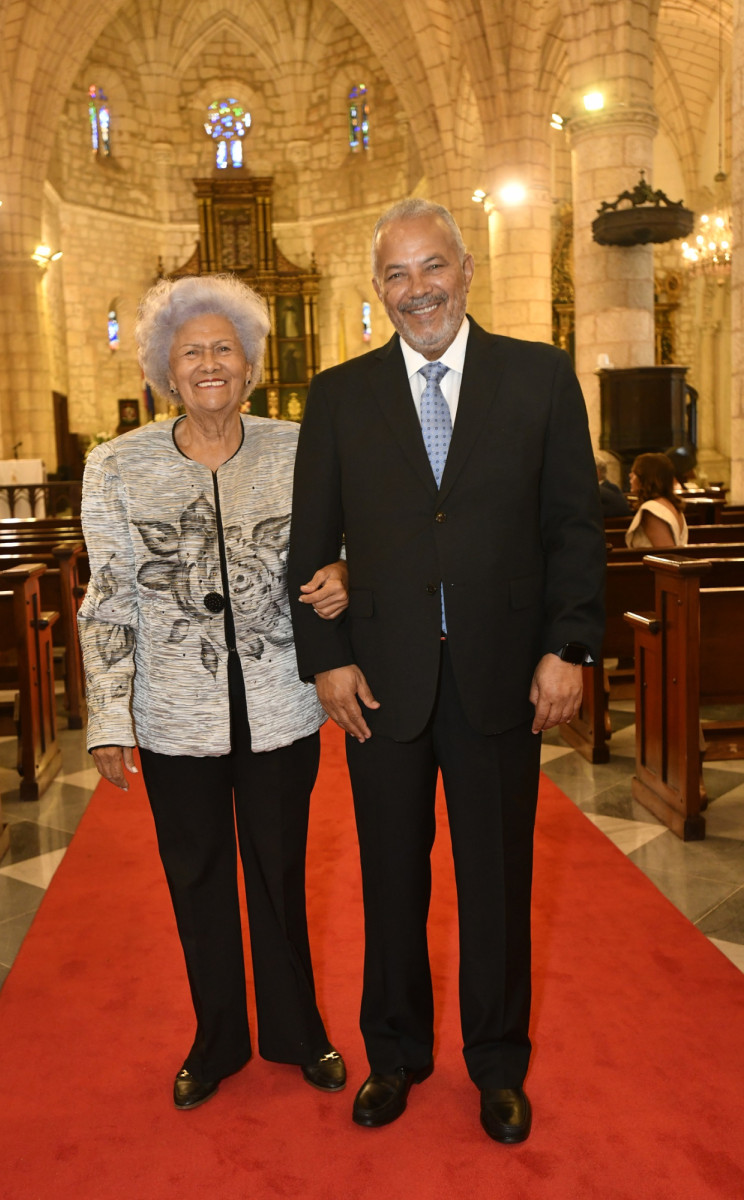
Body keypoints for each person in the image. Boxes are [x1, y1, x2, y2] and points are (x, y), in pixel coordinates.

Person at [288, 198, 605, 1144]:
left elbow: (573, 528)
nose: (417, 289)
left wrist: (569, 645)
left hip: (503, 675)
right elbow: (311, 546)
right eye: (397, 274)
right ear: (377, 290)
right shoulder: (339, 396)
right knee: (390, 879)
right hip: (382, 684)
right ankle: (394, 1055)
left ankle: (499, 1065)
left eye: (432, 268)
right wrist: (326, 663)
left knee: (498, 880)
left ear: (466, 272)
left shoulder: (540, 379)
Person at [78, 272, 349, 1112]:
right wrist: (107, 715)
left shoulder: (300, 447)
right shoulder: (114, 464)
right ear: (163, 367)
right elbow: (110, 595)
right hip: (172, 714)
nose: (207, 364)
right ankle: (218, 1037)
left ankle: (298, 1031)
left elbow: (350, 543)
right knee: (196, 876)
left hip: (280, 704)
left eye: (222, 349)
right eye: (189, 351)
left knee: (278, 870)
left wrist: (348, 574)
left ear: (250, 363)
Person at [625, 452, 688, 548]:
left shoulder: (652, 510)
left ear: (646, 478)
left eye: (635, 472)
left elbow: (665, 555)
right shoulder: (670, 504)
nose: (630, 475)